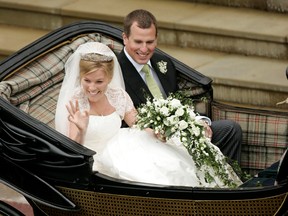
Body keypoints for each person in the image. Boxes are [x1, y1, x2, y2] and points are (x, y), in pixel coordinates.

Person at [55, 42, 242, 188]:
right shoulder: (76, 101)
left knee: (173, 162)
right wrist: (81, 129)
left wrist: (160, 132)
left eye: (99, 81)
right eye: (87, 80)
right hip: (98, 158)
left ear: (109, 79)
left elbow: (137, 123)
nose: (92, 87)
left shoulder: (118, 95)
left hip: (126, 145)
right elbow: (73, 152)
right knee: (150, 176)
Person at [117, 9, 242, 164]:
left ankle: (227, 185)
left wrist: (199, 122)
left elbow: (179, 103)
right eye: (138, 42)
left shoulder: (164, 63)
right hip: (148, 143)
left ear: (156, 39)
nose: (144, 49)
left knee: (230, 129)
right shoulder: (115, 70)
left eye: (149, 42)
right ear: (125, 38)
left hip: (180, 131)